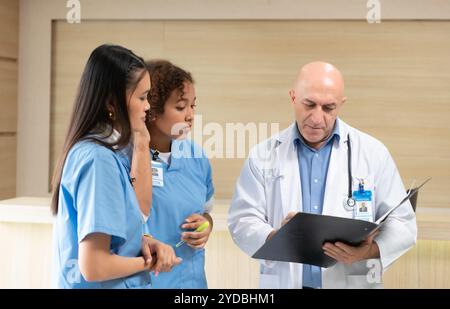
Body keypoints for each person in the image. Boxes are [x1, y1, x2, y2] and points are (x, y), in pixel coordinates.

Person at [228, 61, 417, 289]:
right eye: (309, 104)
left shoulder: (373, 153)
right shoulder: (263, 155)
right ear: (293, 97)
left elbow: (403, 223)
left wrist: (368, 251)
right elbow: (242, 220)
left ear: (341, 105)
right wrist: (279, 238)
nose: (317, 118)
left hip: (352, 282)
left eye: (329, 108)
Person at [51, 44, 181, 289]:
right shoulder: (98, 160)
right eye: (142, 98)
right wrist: (147, 262)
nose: (147, 106)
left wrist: (143, 242)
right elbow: (94, 265)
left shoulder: (105, 153)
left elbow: (123, 226)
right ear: (112, 102)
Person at [143, 60, 215, 288]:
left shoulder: (197, 157)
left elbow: (206, 213)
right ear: (153, 110)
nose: (190, 115)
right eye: (181, 107)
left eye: (193, 106)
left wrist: (206, 226)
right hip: (149, 282)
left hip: (192, 284)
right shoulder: (128, 161)